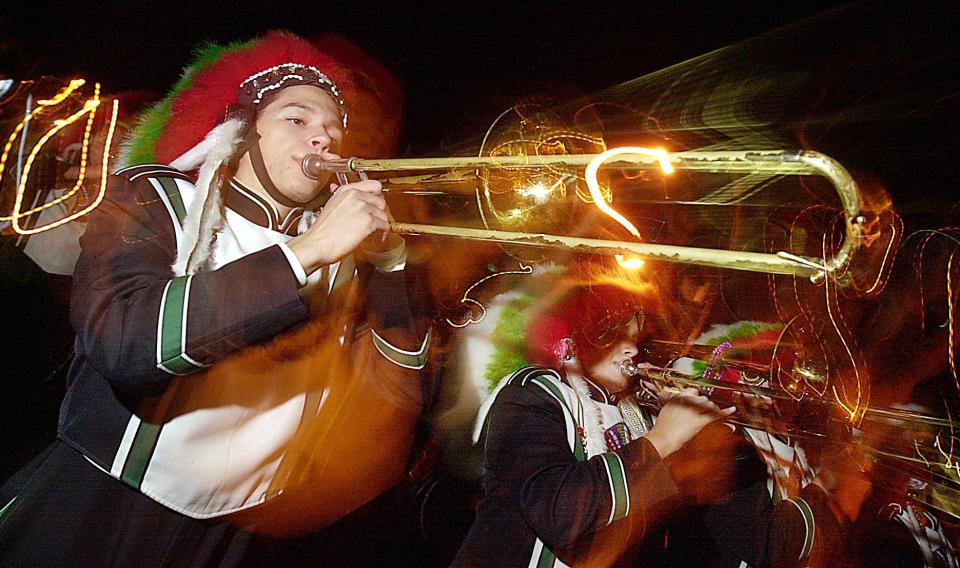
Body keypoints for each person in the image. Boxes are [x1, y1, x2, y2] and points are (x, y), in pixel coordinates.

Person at [0, 31, 432, 566]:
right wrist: (308, 252)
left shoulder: (344, 254)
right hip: (106, 505)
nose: (324, 140)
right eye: (297, 120)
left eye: (333, 129)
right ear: (240, 132)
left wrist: (391, 265)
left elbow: (398, 396)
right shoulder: (156, 196)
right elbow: (126, 345)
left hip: (238, 534)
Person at [451, 281, 846, 567]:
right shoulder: (532, 394)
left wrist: (712, 441)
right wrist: (662, 438)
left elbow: (749, 539)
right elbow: (558, 512)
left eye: (635, 336)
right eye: (616, 335)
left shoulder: (638, 418)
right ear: (573, 339)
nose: (633, 348)